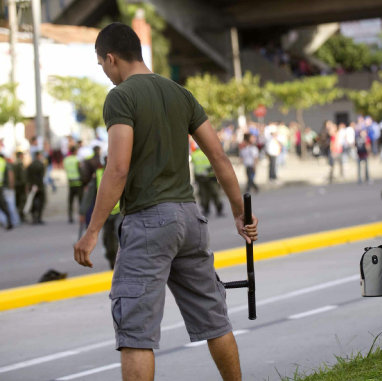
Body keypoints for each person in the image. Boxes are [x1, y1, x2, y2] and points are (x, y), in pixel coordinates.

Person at [73, 22, 258, 381]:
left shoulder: (121, 97)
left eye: (102, 66)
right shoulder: (180, 94)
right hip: (190, 219)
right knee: (213, 318)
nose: (106, 74)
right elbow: (219, 157)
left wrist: (92, 230)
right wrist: (240, 214)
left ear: (111, 59)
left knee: (136, 331)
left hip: (147, 222)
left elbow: (118, 167)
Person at [79, 160, 121, 269]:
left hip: (120, 212)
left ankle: (119, 264)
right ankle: (112, 262)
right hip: (106, 213)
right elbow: (89, 194)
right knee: (108, 241)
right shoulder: (98, 174)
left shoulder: (122, 169)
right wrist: (83, 211)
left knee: (119, 237)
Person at [191, 143, 224, 217]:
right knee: (215, 194)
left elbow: (194, 168)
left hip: (200, 178)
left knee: (203, 194)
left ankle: (206, 210)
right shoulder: (209, 152)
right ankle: (219, 210)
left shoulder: (194, 154)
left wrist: (195, 179)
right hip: (211, 177)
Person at [63, 146, 83, 223]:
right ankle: (81, 216)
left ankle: (70, 217)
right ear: (75, 151)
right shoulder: (77, 159)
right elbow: (80, 170)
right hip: (78, 183)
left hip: (70, 182)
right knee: (80, 201)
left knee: (70, 201)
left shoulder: (66, 160)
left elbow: (66, 169)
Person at [26, 151, 46, 225]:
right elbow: (41, 177)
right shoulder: (41, 165)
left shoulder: (30, 165)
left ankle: (34, 217)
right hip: (40, 186)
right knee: (41, 202)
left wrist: (31, 185)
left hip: (32, 186)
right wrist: (38, 185)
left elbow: (27, 176)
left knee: (33, 202)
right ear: (38, 156)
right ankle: (39, 218)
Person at [0, 152, 14, 230]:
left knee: (4, 205)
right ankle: (10, 221)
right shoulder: (3, 162)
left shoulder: (2, 162)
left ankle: (10, 222)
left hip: (2, 187)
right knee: (4, 205)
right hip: (2, 187)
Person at [13, 151, 27, 223]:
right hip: (20, 185)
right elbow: (22, 176)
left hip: (16, 185)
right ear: (20, 156)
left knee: (17, 201)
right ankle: (20, 216)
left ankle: (18, 216)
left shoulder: (14, 163)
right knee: (22, 200)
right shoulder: (19, 164)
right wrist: (25, 185)